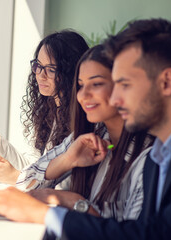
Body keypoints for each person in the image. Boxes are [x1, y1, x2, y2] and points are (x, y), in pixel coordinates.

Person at [0, 18, 171, 240]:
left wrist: (53, 211)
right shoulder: (162, 150)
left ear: (167, 82)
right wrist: (67, 164)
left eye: (124, 85)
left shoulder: (168, 153)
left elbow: (147, 234)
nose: (115, 99)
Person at [15, 45, 153, 221]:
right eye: (80, 85)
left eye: (96, 84)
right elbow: (23, 185)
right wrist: (67, 160)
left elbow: (133, 235)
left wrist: (76, 203)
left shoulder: (148, 157)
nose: (83, 95)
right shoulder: (91, 136)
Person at [0, 30, 89, 184]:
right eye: (38, 66)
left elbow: (62, 187)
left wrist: (15, 178)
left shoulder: (82, 121)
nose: (40, 75)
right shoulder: (55, 112)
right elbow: (35, 167)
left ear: (71, 72)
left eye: (51, 69)